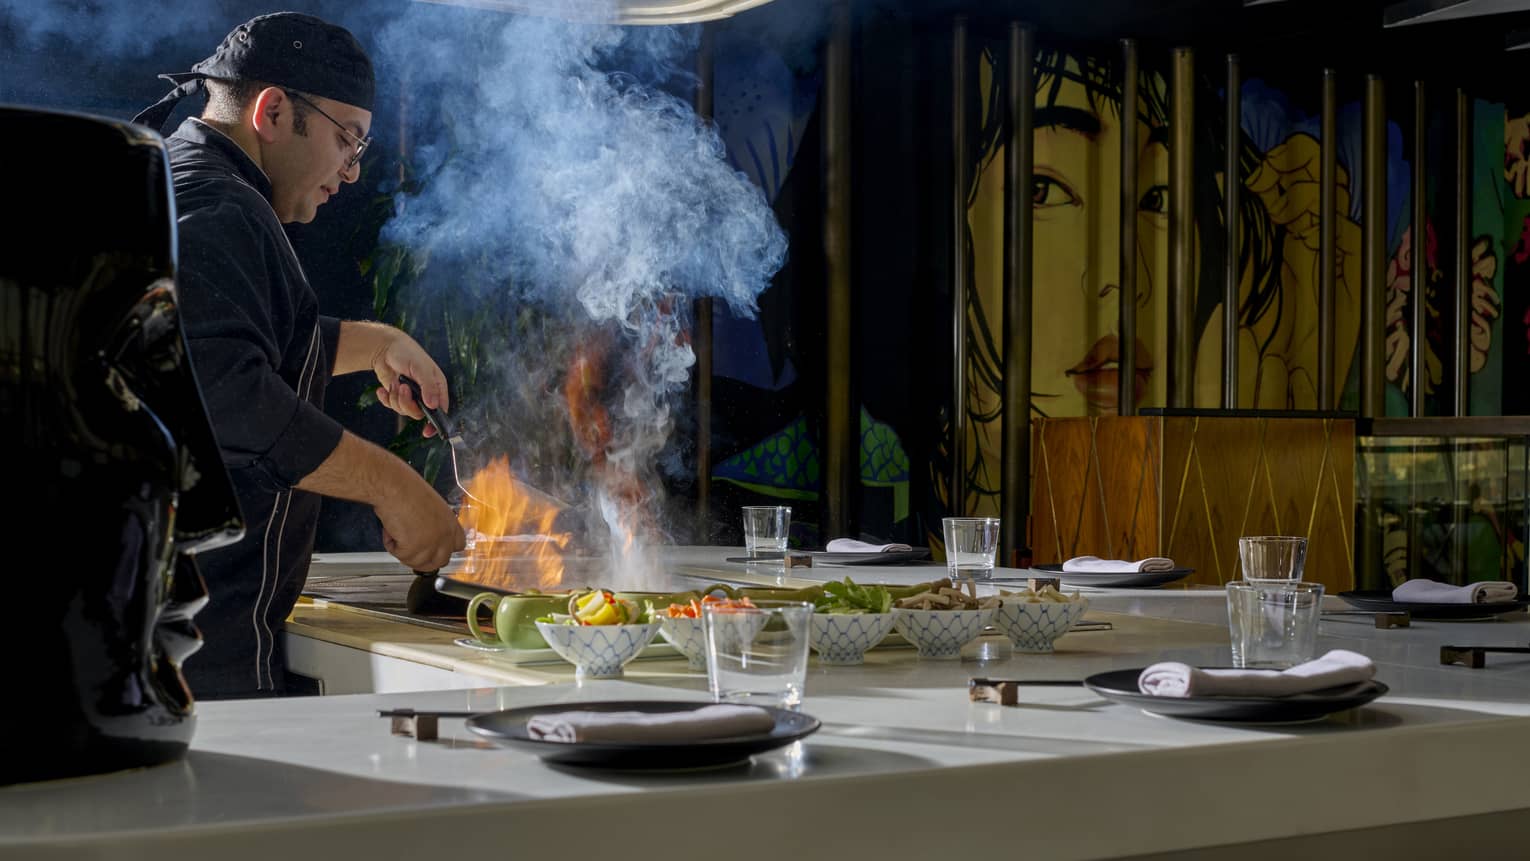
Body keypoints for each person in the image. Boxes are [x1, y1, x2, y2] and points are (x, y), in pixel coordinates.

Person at [132, 12, 465, 699]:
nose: (350, 169)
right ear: (274, 110)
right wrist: (393, 485)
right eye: (348, 139)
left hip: (170, 627)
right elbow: (225, 394)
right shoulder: (220, 207)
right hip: (194, 645)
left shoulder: (182, 181)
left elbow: (225, 337)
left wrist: (378, 343)